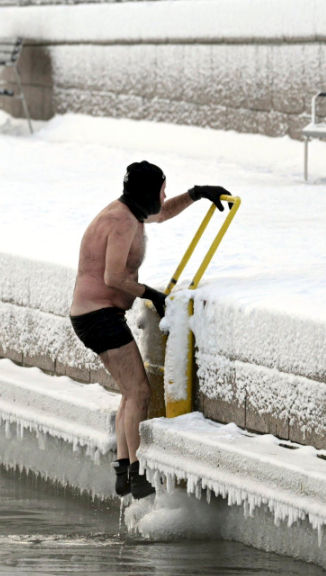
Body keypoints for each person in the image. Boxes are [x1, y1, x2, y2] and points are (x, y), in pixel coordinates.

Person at [69, 161, 227, 499]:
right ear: (146, 192)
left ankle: (125, 471)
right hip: (98, 317)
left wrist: (197, 194)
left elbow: (163, 213)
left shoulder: (131, 212)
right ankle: (136, 474)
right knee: (139, 392)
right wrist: (151, 294)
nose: (165, 195)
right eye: (162, 189)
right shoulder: (121, 222)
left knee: (130, 392)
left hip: (99, 315)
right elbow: (113, 278)